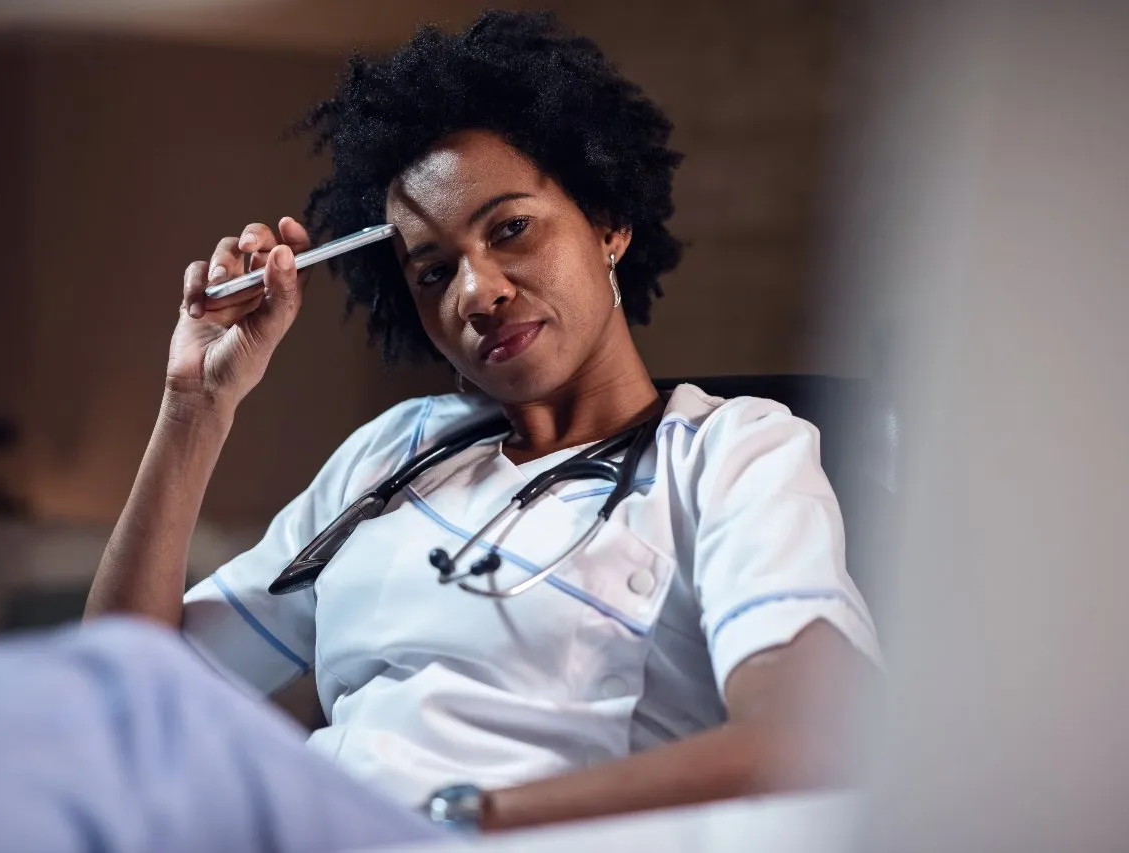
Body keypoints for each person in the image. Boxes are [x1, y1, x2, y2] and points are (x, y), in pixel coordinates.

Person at [77, 7, 878, 837]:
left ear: (608, 224)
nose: (477, 291)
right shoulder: (396, 454)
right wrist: (194, 406)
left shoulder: (731, 453)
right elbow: (119, 695)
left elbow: (808, 738)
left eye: (511, 230)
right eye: (432, 270)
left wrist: (459, 819)